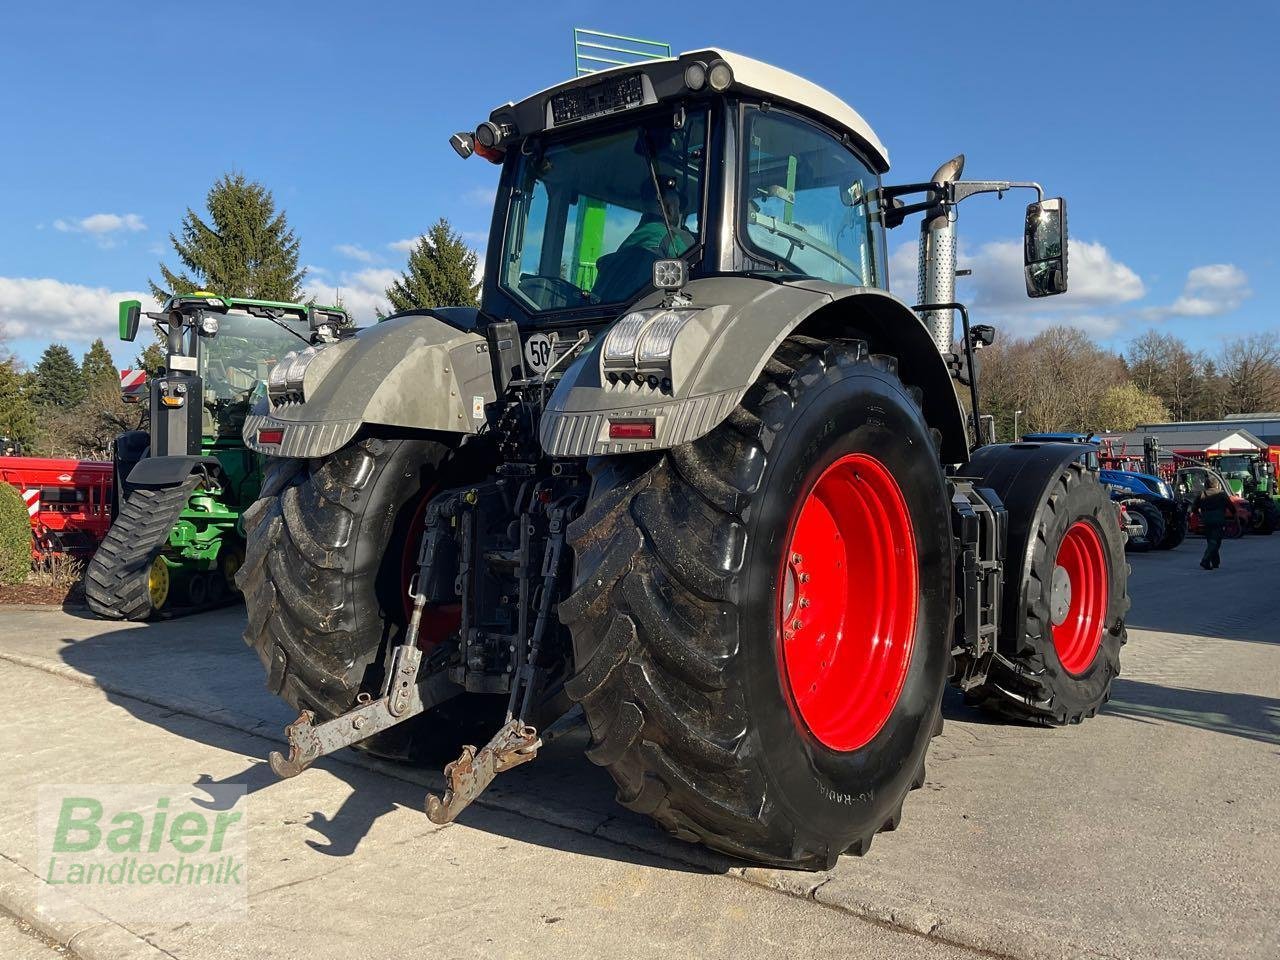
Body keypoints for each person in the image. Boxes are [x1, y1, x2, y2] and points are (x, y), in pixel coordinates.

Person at [590, 176, 694, 303]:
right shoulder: (675, 238)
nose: (678, 212)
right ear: (670, 208)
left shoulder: (626, 245)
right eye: (678, 207)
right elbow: (696, 282)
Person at [1192, 475, 1234, 570]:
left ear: (1206, 485)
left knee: (1211, 540)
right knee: (1215, 541)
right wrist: (1235, 518)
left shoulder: (1202, 494)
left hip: (1206, 520)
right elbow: (1231, 507)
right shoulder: (1222, 494)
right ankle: (1205, 560)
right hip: (1218, 520)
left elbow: (1194, 508)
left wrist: (1200, 514)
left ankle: (1215, 562)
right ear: (1217, 485)